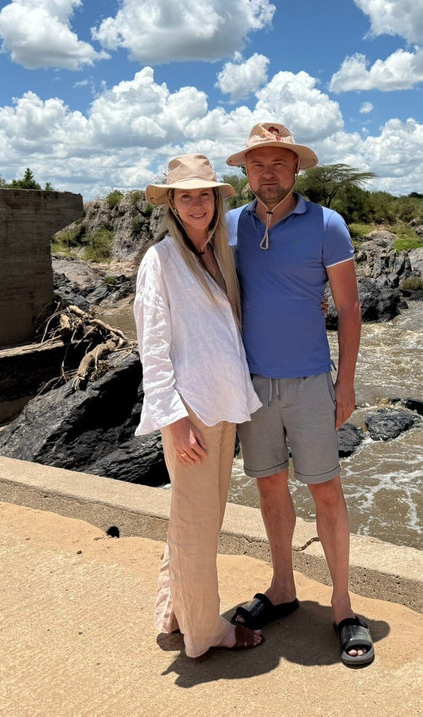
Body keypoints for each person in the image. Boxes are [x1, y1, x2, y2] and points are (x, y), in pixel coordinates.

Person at [225, 122, 374, 667]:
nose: (268, 173)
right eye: (258, 164)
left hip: (311, 380)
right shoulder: (228, 226)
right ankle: (283, 587)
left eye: (278, 163)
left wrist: (345, 382)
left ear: (296, 168)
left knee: (326, 490)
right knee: (269, 487)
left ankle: (342, 604)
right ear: (246, 171)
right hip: (251, 383)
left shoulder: (328, 224)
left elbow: (349, 308)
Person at [133, 153, 264, 657]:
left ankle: (175, 613)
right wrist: (174, 419)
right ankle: (206, 631)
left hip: (223, 403)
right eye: (185, 195)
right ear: (171, 203)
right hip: (191, 412)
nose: (196, 204)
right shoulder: (161, 260)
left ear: (215, 200)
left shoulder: (219, 253)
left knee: (197, 520)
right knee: (196, 526)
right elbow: (153, 345)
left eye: (203, 194)